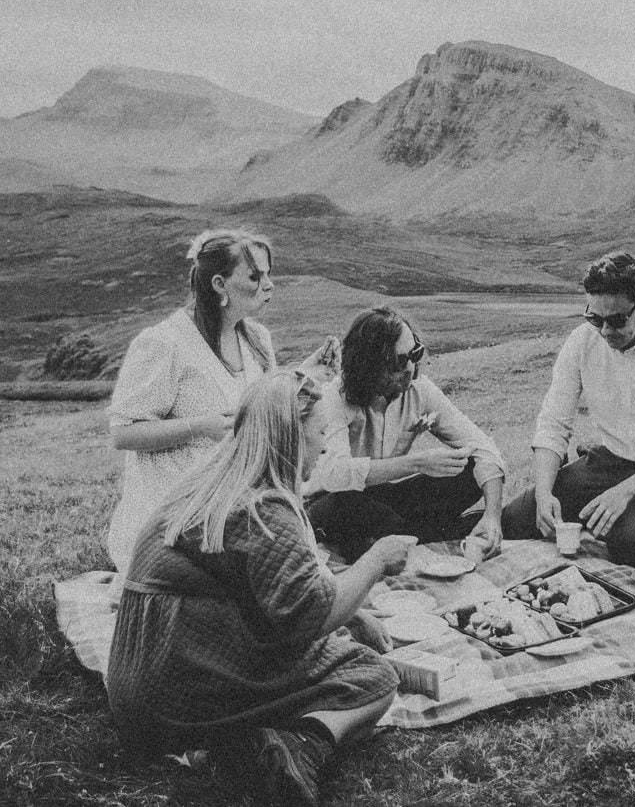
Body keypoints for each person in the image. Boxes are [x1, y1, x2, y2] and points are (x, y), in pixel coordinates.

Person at [105, 370, 407, 807]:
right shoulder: (266, 510)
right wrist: (376, 561)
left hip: (137, 693)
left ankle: (230, 746)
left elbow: (256, 585)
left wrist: (355, 612)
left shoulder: (209, 484)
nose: (324, 445)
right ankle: (304, 746)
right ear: (290, 436)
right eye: (319, 432)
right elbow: (310, 619)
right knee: (374, 678)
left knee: (336, 646)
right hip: (176, 693)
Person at [104, 227, 333, 577]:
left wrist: (307, 373)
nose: (268, 286)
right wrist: (200, 427)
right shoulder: (164, 344)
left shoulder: (257, 338)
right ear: (219, 285)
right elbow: (123, 434)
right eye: (254, 277)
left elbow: (262, 408)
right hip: (170, 517)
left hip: (231, 505)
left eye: (268, 276)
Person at [500, 251, 635, 566]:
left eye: (616, 321)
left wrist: (623, 494)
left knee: (632, 546)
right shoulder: (581, 342)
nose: (605, 331)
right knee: (517, 519)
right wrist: (545, 493)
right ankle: (620, 513)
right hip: (612, 460)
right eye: (594, 318)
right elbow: (554, 423)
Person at [305, 306, 507, 561]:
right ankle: (433, 535)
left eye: (415, 354)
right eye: (399, 362)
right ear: (369, 365)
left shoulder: (419, 390)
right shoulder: (335, 397)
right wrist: (418, 464)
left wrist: (492, 515)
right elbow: (335, 475)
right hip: (332, 503)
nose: (411, 367)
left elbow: (482, 446)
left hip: (382, 496)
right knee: (353, 508)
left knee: (467, 470)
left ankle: (413, 537)